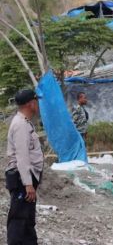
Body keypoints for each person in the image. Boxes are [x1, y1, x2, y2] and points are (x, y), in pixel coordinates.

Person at [5, 89, 43, 245]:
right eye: (37, 101)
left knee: (27, 218)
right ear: (31, 103)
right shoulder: (20, 125)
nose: (39, 104)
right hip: (22, 179)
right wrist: (28, 184)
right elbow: (22, 157)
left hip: (26, 178)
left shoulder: (25, 122)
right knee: (19, 218)